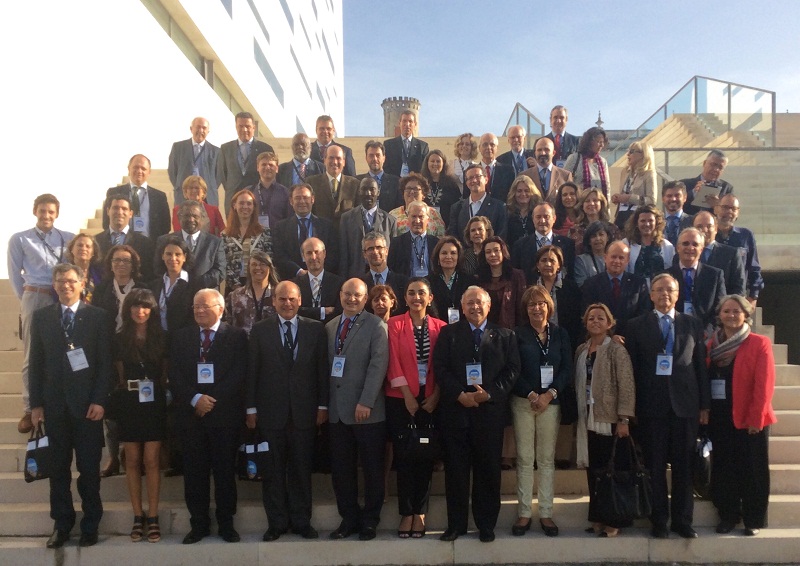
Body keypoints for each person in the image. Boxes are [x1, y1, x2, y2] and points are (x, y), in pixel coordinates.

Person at [29, 263, 112, 548]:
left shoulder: (98, 317)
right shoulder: (41, 317)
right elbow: (36, 363)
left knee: (89, 470)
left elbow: (105, 363)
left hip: (88, 408)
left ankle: (90, 525)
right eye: (61, 281)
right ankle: (62, 524)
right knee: (58, 471)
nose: (66, 285)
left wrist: (99, 400)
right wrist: (36, 404)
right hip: (54, 408)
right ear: (54, 285)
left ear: (82, 283)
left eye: (71, 281)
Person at [624, 273, 710, 539]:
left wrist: (704, 406)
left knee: (684, 467)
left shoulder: (692, 323)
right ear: (651, 295)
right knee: (656, 467)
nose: (664, 294)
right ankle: (659, 520)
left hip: (686, 407)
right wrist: (631, 409)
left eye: (670, 290)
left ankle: (683, 521)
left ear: (677, 294)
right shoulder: (635, 326)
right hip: (651, 408)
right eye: (659, 290)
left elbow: (700, 367)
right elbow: (632, 371)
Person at [433, 286, 520, 542]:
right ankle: (456, 525)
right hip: (456, 412)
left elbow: (512, 370)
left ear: (489, 306)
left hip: (489, 414)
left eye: (479, 302)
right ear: (462, 307)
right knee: (456, 471)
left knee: (488, 471)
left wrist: (490, 394)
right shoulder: (448, 334)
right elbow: (440, 368)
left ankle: (486, 524)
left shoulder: (505, 335)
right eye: (469, 302)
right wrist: (460, 394)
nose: (475, 307)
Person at [246, 281, 329, 541]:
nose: (287, 303)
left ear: (300, 300)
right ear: (274, 301)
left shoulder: (315, 329)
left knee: (301, 470)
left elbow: (322, 370)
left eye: (292, 298)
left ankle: (302, 522)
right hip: (271, 413)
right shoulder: (260, 330)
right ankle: (277, 523)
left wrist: (322, 405)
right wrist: (251, 408)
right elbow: (252, 372)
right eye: (282, 299)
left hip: (304, 413)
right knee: (272, 471)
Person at [170, 289, 248, 544]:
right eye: (196, 306)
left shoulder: (236, 336)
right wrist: (195, 399)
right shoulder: (181, 337)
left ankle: (226, 523)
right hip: (191, 416)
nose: (199, 311)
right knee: (194, 473)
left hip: (223, 416)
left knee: (224, 472)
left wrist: (210, 400)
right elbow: (175, 375)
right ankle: (199, 524)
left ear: (221, 309)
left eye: (205, 306)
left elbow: (239, 374)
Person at [325, 279, 389, 541]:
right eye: (347, 294)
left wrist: (367, 401)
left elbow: (378, 365)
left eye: (358, 295)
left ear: (365, 299)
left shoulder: (376, 325)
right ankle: (348, 519)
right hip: (338, 412)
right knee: (342, 471)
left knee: (373, 470)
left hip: (367, 412)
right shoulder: (330, 327)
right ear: (340, 295)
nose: (352, 299)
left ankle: (370, 521)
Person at [707, 295, 776, 537]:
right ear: (720, 315)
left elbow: (764, 384)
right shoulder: (712, 344)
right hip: (720, 415)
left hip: (750, 417)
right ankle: (728, 515)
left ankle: (753, 519)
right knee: (724, 468)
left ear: (746, 315)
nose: (731, 315)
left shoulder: (758, 343)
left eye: (736, 311)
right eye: (726, 311)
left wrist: (756, 418)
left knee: (753, 470)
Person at [509, 285, 572, 538]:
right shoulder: (517, 334)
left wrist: (549, 395)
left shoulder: (560, 334)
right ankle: (524, 512)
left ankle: (546, 512)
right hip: (524, 402)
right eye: (532, 304)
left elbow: (566, 368)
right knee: (525, 459)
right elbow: (513, 369)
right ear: (526, 309)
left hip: (551, 403)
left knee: (546, 459)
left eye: (541, 303)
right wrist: (532, 394)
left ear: (549, 306)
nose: (537, 308)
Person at [385, 278, 446, 538]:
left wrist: (436, 395)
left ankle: (420, 512)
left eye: (421, 293)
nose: (416, 297)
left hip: (430, 399)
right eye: (411, 293)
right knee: (404, 456)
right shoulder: (394, 324)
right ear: (405, 298)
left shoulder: (441, 327)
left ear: (430, 298)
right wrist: (407, 396)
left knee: (424, 456)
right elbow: (392, 361)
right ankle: (406, 512)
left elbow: (444, 365)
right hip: (401, 399)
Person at [574, 303, 635, 538]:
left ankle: (614, 520)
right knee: (595, 470)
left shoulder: (616, 350)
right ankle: (598, 516)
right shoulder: (581, 350)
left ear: (609, 323)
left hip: (609, 419)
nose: (596, 321)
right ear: (585, 323)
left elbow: (626, 385)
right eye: (591, 318)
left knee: (612, 470)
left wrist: (624, 419)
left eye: (601, 318)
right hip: (587, 417)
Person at [112, 289, 168, 543]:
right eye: (135, 306)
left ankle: (153, 515)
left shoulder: (162, 337)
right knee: (132, 459)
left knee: (151, 459)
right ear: (128, 309)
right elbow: (118, 374)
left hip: (154, 402)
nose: (140, 311)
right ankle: (138, 515)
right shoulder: (119, 338)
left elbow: (165, 373)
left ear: (153, 310)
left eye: (145, 307)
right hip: (129, 402)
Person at [581, 240, 651, 335]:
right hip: (601, 338)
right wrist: (610, 335)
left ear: (627, 260)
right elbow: (588, 314)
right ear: (605, 258)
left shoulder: (638, 284)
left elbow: (643, 314)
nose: (617, 261)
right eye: (613, 257)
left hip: (631, 338)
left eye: (621, 258)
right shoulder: (591, 284)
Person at [155, 200, 226, 293]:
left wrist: (193, 284)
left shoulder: (215, 242)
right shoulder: (164, 241)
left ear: (202, 218)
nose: (191, 219)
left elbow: (220, 271)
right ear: (179, 217)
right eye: (187, 216)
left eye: (195, 216)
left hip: (204, 294)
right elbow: (158, 269)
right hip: (174, 294)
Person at [272, 183, 338, 280]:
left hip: (321, 279)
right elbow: (280, 256)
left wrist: (317, 272)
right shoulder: (280, 227)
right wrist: (299, 271)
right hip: (292, 279)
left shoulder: (327, 226)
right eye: (297, 198)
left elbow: (333, 254)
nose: (302, 201)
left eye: (305, 197)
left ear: (312, 199)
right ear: (291, 201)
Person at [667, 228, 726, 330]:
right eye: (685, 243)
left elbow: (720, 307)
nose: (690, 247)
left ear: (701, 249)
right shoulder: (666, 276)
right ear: (678, 248)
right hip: (673, 330)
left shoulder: (715, 275)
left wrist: (709, 331)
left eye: (695, 244)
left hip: (705, 331)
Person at [216, 111, 275, 215]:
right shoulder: (225, 148)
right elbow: (223, 175)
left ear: (254, 127)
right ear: (236, 127)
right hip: (233, 199)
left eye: (247, 126)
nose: (244, 130)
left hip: (257, 199)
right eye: (241, 126)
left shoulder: (265, 148)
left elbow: (271, 174)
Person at [338, 177, 398, 278]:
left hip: (381, 276)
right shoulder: (346, 218)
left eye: (372, 189)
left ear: (378, 192)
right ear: (359, 191)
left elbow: (393, 255)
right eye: (364, 189)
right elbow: (343, 253)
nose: (368, 193)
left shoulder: (390, 220)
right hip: (356, 275)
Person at [103, 154, 171, 240]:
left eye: (143, 168)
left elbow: (165, 226)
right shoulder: (114, 192)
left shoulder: (159, 197)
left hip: (149, 244)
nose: (139, 171)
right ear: (129, 169)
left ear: (149, 172)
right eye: (135, 167)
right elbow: (106, 222)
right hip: (122, 243)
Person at [715, 194, 764, 305]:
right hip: (713, 299)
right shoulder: (709, 236)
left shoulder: (746, 235)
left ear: (738, 212)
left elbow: (754, 268)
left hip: (738, 299)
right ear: (716, 209)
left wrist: (753, 296)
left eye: (733, 209)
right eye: (725, 207)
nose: (729, 212)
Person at [221, 189, 272, 293]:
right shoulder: (225, 235)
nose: (245, 207)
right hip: (233, 287)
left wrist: (259, 282)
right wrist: (236, 287)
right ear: (234, 206)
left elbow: (269, 259)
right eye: (241, 203)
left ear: (253, 207)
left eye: (249, 204)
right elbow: (224, 262)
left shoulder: (264, 232)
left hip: (259, 284)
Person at [533, 245, 583, 350]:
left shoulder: (570, 288)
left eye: (552, 260)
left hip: (565, 342)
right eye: (544, 260)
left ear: (559, 265)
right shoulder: (531, 288)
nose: (548, 264)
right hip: (535, 341)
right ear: (537, 265)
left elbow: (577, 318)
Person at [511, 202, 576, 284]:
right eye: (538, 217)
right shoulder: (520, 245)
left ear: (554, 219)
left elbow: (570, 274)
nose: (542, 220)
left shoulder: (567, 244)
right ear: (533, 219)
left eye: (546, 217)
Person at [97, 194, 155, 281]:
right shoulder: (96, 241)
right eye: (115, 208)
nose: (120, 212)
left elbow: (147, 272)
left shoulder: (144, 243)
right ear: (108, 211)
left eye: (124, 209)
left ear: (131, 213)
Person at [168, 117, 221, 207]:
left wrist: (208, 188)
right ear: (191, 129)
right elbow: (172, 171)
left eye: (204, 128)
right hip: (183, 198)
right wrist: (182, 187)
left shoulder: (216, 151)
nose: (201, 130)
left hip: (208, 200)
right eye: (198, 127)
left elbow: (218, 176)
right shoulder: (178, 147)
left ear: (208, 131)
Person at [448, 164, 508, 242]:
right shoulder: (457, 208)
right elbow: (453, 236)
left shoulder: (499, 207)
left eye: (477, 176)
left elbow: (501, 236)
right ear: (466, 183)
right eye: (470, 178)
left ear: (486, 179)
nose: (474, 180)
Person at [93, 245, 146, 332]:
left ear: (133, 266)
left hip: (135, 337)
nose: (121, 264)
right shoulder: (101, 289)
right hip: (107, 336)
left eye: (126, 260)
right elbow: (95, 318)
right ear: (111, 265)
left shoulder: (143, 289)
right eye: (117, 260)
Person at [476, 236, 526, 329]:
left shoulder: (516, 276)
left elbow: (521, 307)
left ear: (503, 252)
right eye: (488, 252)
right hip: (486, 330)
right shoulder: (479, 278)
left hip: (511, 330)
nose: (493, 254)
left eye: (496, 250)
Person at [692, 211, 746, 296]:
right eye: (699, 226)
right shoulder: (685, 253)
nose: (704, 230)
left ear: (716, 229)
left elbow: (738, 288)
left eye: (709, 226)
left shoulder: (731, 254)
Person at [225, 250, 279, 334]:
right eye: (254, 264)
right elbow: (229, 324)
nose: (258, 267)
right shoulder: (235, 295)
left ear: (270, 268)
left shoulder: (279, 294)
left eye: (262, 264)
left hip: (270, 340)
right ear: (249, 268)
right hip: (242, 341)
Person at [150, 237, 194, 336]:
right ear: (162, 256)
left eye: (178, 254)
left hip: (183, 338)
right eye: (168, 254)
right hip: (158, 338)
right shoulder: (154, 285)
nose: (173, 258)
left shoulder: (195, 284)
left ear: (184, 257)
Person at [294, 237, 344, 323]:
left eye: (317, 252)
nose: (313, 257)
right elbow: (294, 310)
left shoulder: (339, 283)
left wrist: (307, 311)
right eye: (309, 253)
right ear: (303, 256)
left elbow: (339, 311)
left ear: (324, 254)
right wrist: (323, 311)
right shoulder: (294, 285)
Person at [307, 144, 358, 226]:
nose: (335, 162)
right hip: (321, 232)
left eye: (338, 158)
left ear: (344, 162)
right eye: (331, 158)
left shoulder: (355, 184)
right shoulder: (311, 183)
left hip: (345, 232)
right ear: (324, 160)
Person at [623, 204, 674, 286]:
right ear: (636, 223)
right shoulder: (626, 244)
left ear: (656, 222)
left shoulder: (667, 246)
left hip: (659, 290)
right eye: (643, 221)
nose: (647, 224)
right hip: (634, 290)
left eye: (650, 220)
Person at [611, 141, 657, 230]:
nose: (628, 154)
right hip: (621, 217)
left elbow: (651, 201)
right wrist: (618, 198)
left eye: (631, 151)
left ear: (643, 154)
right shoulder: (625, 172)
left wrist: (630, 198)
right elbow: (624, 193)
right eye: (628, 151)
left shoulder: (649, 174)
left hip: (637, 219)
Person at [387, 201, 439, 277]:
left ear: (428, 219)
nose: (417, 221)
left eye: (421, 217)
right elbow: (392, 270)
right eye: (414, 216)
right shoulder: (397, 243)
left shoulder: (436, 243)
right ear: (408, 218)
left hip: (430, 283)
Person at [428, 236, 473, 323]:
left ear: (458, 256)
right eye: (444, 253)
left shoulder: (470, 281)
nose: (448, 256)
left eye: (453, 253)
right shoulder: (428, 282)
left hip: (463, 326)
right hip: (437, 326)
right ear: (438, 257)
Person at [361, 232, 409, 313]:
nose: (375, 252)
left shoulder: (403, 282)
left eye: (379, 247)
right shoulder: (361, 284)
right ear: (364, 254)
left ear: (386, 251)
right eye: (370, 249)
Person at [521, 136, 573, 203]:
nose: (543, 153)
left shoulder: (565, 176)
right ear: (535, 153)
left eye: (546, 150)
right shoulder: (525, 175)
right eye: (539, 150)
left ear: (553, 153)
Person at [681, 149, 733, 215]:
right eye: (713, 164)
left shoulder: (726, 189)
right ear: (704, 163)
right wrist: (693, 193)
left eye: (720, 167)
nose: (716, 169)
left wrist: (718, 206)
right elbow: (676, 207)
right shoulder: (685, 185)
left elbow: (730, 215)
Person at [564, 127, 611, 199]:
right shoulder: (574, 158)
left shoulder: (603, 162)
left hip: (599, 204)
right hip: (579, 204)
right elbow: (564, 182)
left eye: (603, 142)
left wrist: (607, 204)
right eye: (599, 142)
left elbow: (607, 187)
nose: (602, 145)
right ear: (589, 142)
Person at [568, 188, 618, 255]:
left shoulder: (612, 229)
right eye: (587, 201)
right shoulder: (574, 230)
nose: (591, 203)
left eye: (595, 200)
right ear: (582, 205)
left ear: (601, 204)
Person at [248, 151, 291, 230]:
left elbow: (289, 219)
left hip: (278, 234)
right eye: (264, 164)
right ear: (257, 168)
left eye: (271, 165)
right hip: (255, 234)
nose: (267, 167)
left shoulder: (286, 193)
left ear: (277, 169)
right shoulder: (249, 192)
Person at [355, 140, 402, 212]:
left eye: (378, 155)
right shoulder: (357, 181)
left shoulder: (396, 182)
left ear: (384, 158)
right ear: (366, 158)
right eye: (371, 155)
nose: (375, 159)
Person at [420, 149, 462, 226]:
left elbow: (457, 206)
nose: (435, 164)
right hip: (424, 225)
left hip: (447, 225)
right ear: (427, 163)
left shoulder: (451, 184)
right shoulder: (420, 183)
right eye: (432, 161)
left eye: (438, 161)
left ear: (443, 164)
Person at [383, 109, 429, 177]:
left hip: (415, 182)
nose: (407, 124)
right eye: (404, 121)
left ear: (415, 124)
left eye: (410, 121)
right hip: (394, 182)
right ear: (399, 123)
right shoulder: (388, 145)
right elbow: (385, 168)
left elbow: (425, 169)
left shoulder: (423, 147)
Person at [505, 175, 543, 249]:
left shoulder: (538, 212)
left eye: (526, 191)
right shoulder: (507, 212)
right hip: (513, 251)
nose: (523, 194)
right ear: (514, 193)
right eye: (519, 191)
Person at [477, 132, 515, 205]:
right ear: (479, 148)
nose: (488, 147)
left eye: (492, 145)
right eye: (485, 144)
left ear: (497, 148)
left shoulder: (508, 171)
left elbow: (511, 196)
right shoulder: (472, 172)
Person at [66, 234, 103, 303]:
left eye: (88, 246)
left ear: (93, 252)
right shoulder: (63, 272)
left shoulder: (99, 274)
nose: (83, 249)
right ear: (71, 249)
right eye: (80, 245)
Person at [574, 221, 610, 287]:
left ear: (607, 238)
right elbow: (582, 286)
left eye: (601, 234)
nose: (598, 238)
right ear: (589, 241)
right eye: (594, 236)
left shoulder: (614, 258)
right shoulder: (581, 260)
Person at [662, 181, 695, 246]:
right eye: (669, 196)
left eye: (677, 195)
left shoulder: (693, 222)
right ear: (663, 199)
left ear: (685, 198)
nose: (673, 199)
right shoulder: (655, 222)